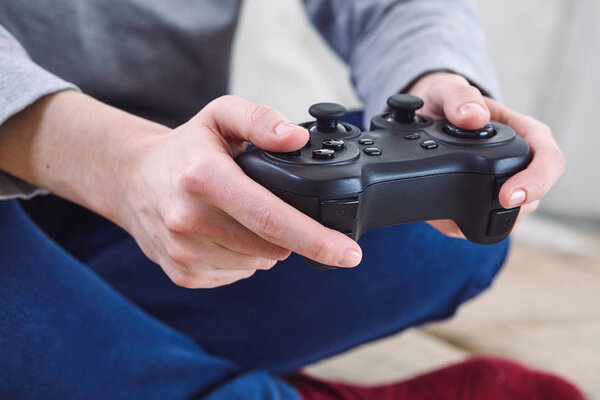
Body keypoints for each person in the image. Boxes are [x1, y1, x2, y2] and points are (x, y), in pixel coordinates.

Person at [0, 1, 572, 399]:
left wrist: (437, 85)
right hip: (43, 159)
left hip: (176, 180)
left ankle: (77, 346)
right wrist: (119, 165)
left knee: (452, 233)